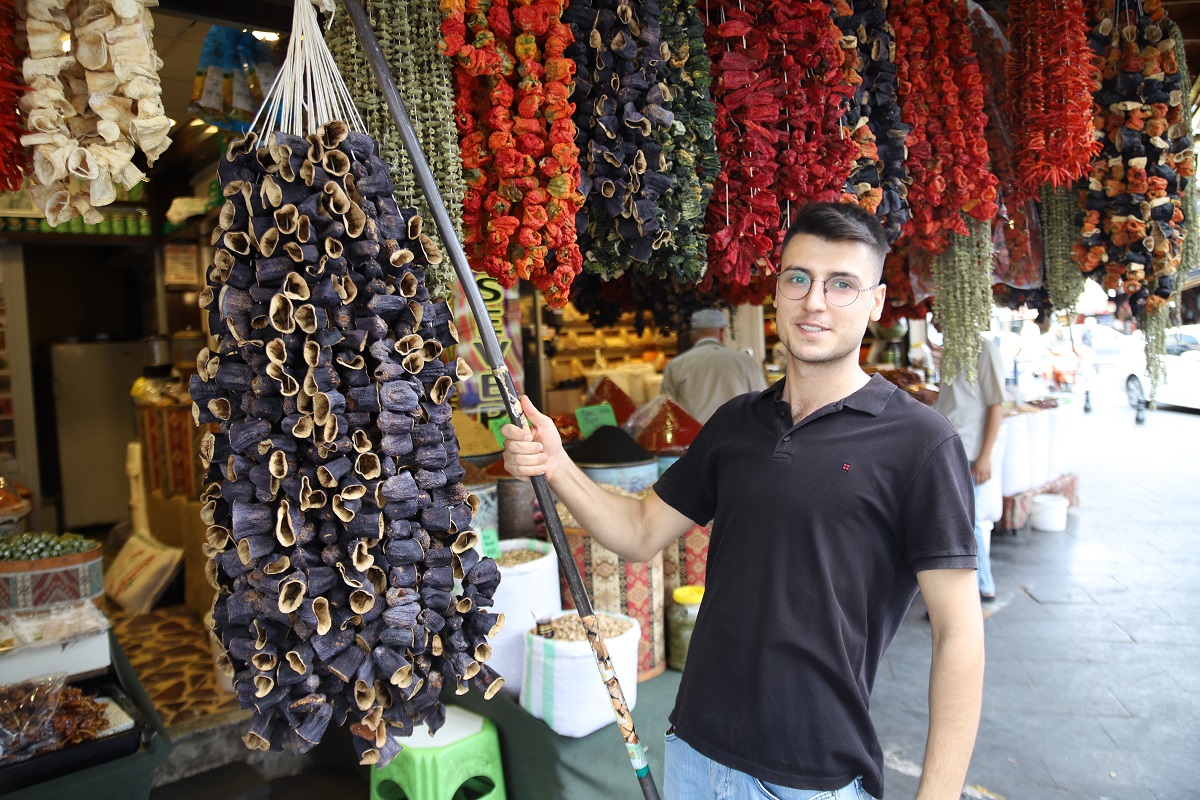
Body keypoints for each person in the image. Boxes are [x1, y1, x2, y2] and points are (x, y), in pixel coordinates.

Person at [502, 202, 984, 800]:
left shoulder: (921, 443)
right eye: (799, 279)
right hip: (696, 753)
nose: (815, 302)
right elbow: (640, 529)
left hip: (813, 777)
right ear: (776, 291)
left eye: (842, 285)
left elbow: (958, 632)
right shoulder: (736, 424)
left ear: (876, 304)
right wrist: (557, 465)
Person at [936, 336, 1006, 602]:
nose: (935, 321)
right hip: (946, 446)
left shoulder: (985, 350)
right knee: (959, 522)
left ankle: (979, 587)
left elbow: (995, 405)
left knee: (964, 523)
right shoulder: (951, 348)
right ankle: (978, 586)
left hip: (967, 450)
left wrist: (985, 455)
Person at [660, 308, 767, 424]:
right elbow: (764, 403)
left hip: (696, 439)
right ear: (721, 332)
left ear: (692, 334)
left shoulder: (675, 366)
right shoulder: (745, 361)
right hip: (738, 437)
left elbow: (666, 410)